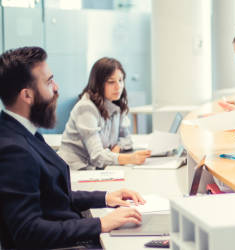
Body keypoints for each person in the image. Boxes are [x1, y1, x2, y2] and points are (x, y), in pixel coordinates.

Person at [0, 47, 144, 249]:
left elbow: (54, 196)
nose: (56, 88)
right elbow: (29, 231)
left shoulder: (25, 133)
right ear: (27, 95)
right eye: (49, 82)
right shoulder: (14, 150)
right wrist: (100, 224)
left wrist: (105, 197)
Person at [58, 57, 151, 170]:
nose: (118, 87)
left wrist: (117, 148)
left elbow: (127, 140)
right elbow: (97, 156)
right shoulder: (86, 108)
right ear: (98, 84)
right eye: (111, 82)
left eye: (120, 80)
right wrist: (129, 158)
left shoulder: (116, 104)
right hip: (74, 171)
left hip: (97, 169)